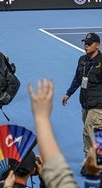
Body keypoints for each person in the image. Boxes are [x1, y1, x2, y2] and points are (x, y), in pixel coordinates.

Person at [61, 32, 102, 175]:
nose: (86, 46)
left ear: (97, 45)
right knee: (96, 134)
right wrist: (68, 93)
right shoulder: (82, 60)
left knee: (88, 130)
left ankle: (92, 163)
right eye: (85, 43)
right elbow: (77, 79)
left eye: (89, 44)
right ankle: (94, 161)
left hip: (98, 105)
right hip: (85, 103)